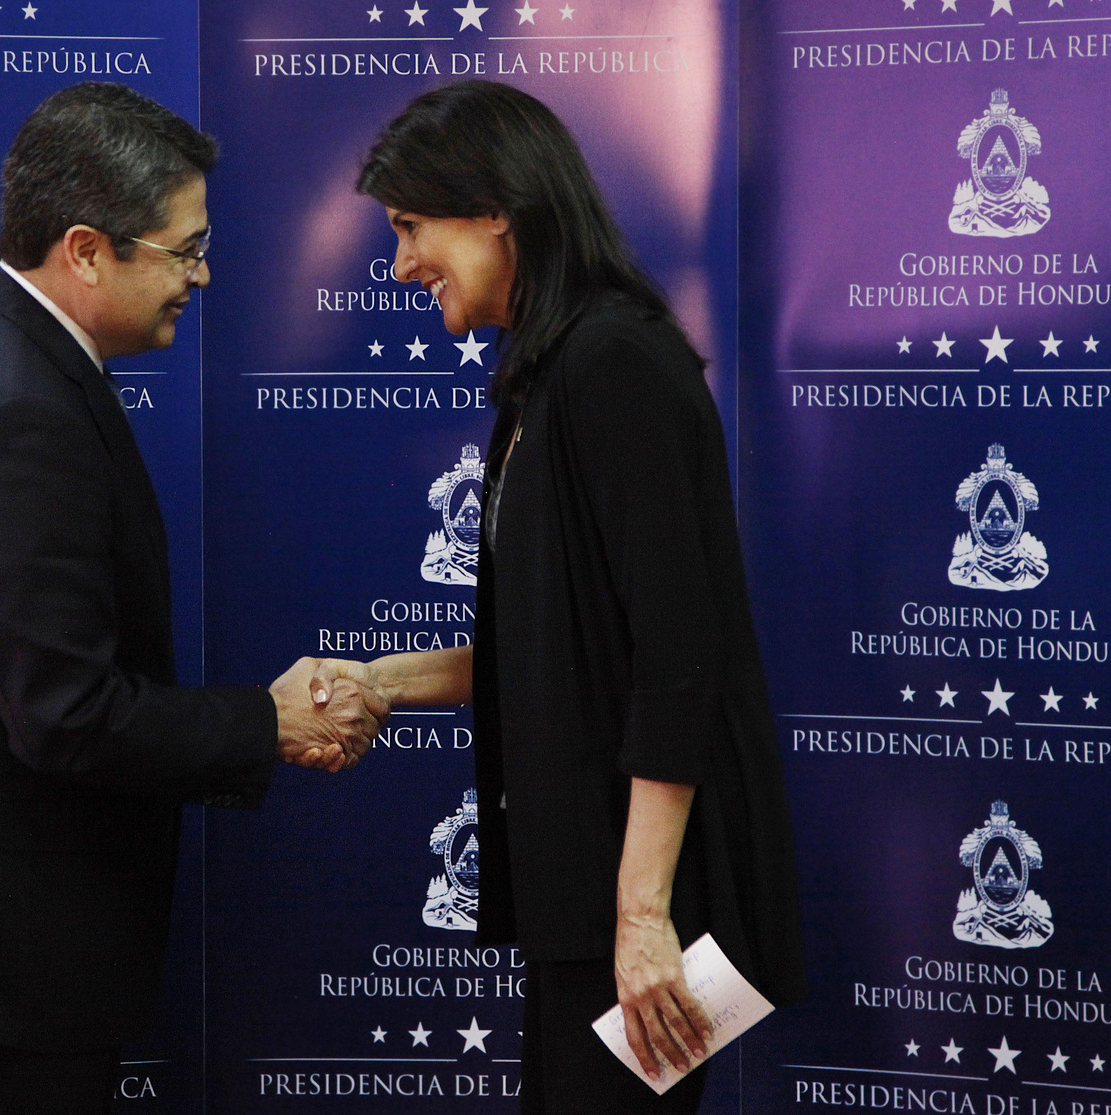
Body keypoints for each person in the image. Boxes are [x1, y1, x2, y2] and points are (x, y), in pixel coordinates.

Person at [0, 82, 383, 1115]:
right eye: (182, 249)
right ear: (88, 250)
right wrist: (262, 720)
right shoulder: (16, 408)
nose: (203, 273)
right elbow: (62, 713)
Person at [312, 80, 806, 1113]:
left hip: (653, 913)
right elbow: (559, 646)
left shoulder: (612, 359)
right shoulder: (544, 373)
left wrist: (641, 919)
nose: (401, 263)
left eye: (410, 226)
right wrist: (377, 681)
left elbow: (676, 654)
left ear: (495, 207)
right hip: (588, 908)